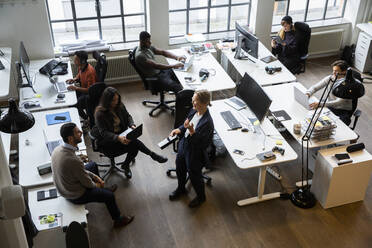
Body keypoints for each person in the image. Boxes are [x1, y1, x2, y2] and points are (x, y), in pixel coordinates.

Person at [51, 122, 134, 228]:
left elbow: (81, 171)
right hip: (73, 194)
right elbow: (87, 183)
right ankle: (118, 220)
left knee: (93, 165)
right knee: (109, 196)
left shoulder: (58, 149)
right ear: (70, 138)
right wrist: (98, 185)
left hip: (64, 186)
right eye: (77, 132)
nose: (81, 132)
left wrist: (96, 178)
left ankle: (102, 189)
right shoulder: (73, 160)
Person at [92, 87, 168, 179]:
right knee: (135, 144)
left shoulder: (119, 105)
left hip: (122, 135)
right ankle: (152, 155)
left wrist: (132, 125)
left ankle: (126, 165)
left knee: (134, 146)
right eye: (113, 101)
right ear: (107, 101)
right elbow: (104, 132)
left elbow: (128, 117)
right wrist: (118, 138)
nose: (115, 102)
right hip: (108, 141)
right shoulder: (100, 113)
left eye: (117, 99)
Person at [168, 90, 214, 208]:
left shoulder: (208, 122)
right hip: (184, 144)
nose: (192, 103)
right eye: (193, 100)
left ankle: (201, 197)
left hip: (195, 151)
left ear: (204, 103)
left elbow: (203, 144)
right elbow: (186, 124)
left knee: (194, 175)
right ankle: (181, 188)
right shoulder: (194, 111)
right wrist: (179, 129)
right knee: (180, 167)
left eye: (195, 101)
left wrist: (193, 132)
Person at [306, 60, 353, 125]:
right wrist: (308, 93)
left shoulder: (348, 84)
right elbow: (315, 87)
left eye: (336, 71)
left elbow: (338, 102)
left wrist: (320, 104)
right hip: (329, 105)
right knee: (312, 114)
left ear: (344, 72)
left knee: (337, 125)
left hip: (342, 110)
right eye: (333, 70)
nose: (333, 73)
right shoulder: (331, 78)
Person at [66, 50, 98, 121]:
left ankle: (87, 119)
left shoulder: (90, 72)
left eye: (76, 60)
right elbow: (79, 75)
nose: (74, 61)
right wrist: (74, 79)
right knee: (70, 99)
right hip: (83, 90)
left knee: (75, 105)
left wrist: (76, 88)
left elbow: (90, 89)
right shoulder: (81, 67)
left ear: (83, 61)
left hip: (89, 94)